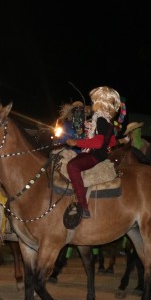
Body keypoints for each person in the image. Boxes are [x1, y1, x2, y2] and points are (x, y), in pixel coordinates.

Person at [64, 86, 121, 223]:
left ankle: (83, 207)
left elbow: (98, 143)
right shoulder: (108, 120)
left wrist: (76, 142)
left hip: (95, 156)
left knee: (72, 166)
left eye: (93, 100)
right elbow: (111, 141)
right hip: (98, 154)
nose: (91, 103)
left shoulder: (100, 119)